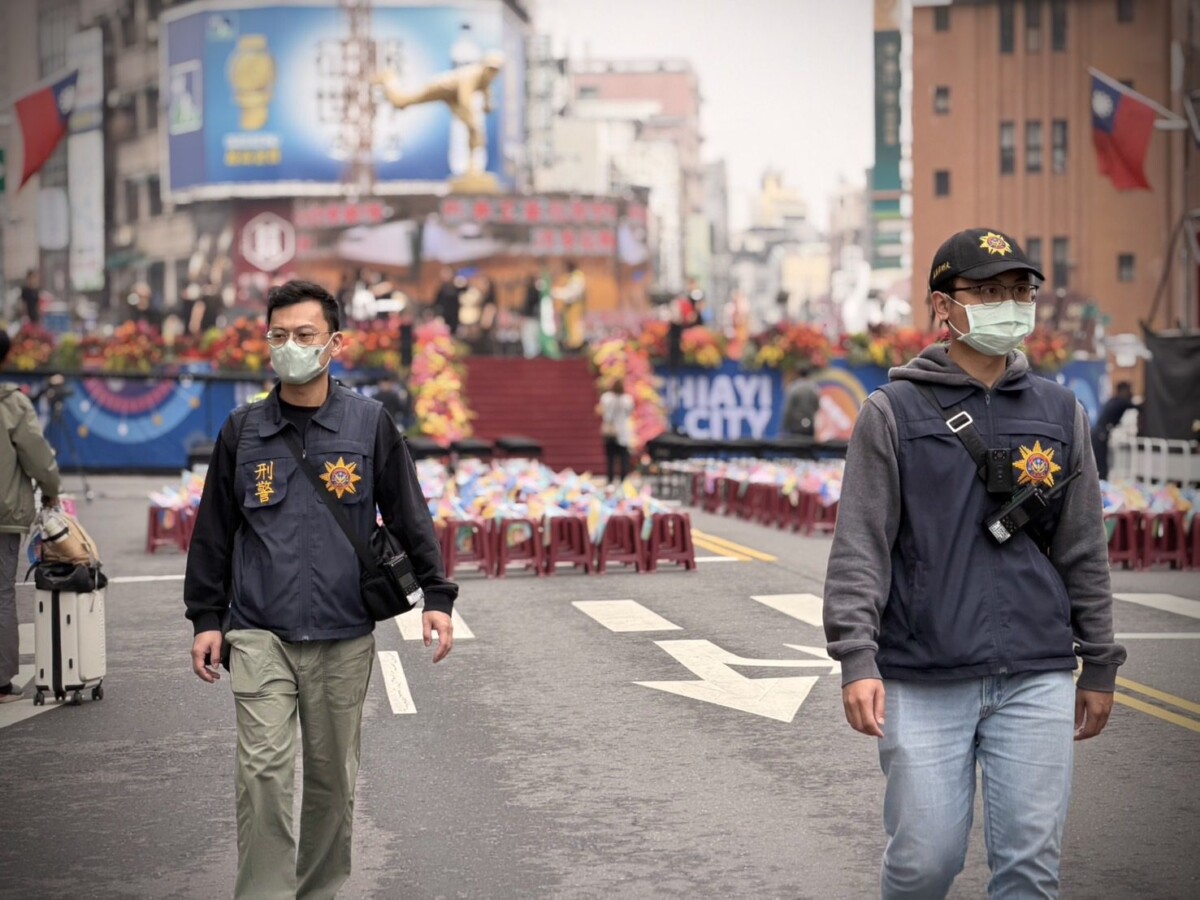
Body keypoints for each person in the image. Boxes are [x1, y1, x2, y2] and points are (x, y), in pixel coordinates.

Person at [823, 227, 1125, 899]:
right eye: (987, 292)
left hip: (1037, 673)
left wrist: (1100, 660)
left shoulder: (1060, 411)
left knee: (1030, 871)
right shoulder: (891, 412)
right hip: (923, 674)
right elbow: (861, 545)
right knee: (924, 864)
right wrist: (856, 657)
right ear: (943, 305)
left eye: (1020, 290)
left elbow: (1083, 548)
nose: (1007, 305)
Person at [184, 280, 458, 898]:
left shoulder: (369, 424)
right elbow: (214, 531)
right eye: (278, 335)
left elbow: (410, 513)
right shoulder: (243, 431)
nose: (290, 346)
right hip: (259, 632)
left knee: (333, 786)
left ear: (335, 343)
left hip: (342, 634)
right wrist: (205, 617)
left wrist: (437, 598)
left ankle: (316, 892)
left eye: (305, 335)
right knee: (263, 775)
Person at [0, 332, 62, 703]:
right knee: (1, 593)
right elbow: (38, 456)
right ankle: (0, 681)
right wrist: (51, 488)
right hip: (3, 514)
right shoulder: (11, 403)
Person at [1090, 381, 1136, 481]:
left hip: (1099, 434)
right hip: (1100, 436)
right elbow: (1135, 406)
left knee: (1100, 462)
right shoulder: (1120, 402)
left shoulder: (1113, 401)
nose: (1130, 393)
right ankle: (1101, 484)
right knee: (1101, 463)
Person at [597, 380, 634, 483]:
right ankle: (624, 481)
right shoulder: (627, 399)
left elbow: (601, 410)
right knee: (624, 459)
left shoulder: (606, 398)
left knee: (610, 459)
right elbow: (630, 412)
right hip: (623, 432)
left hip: (611, 431)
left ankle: (610, 480)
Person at [781, 364, 821, 439]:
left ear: (798, 374)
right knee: (808, 444)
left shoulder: (793, 388)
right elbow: (817, 406)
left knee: (796, 445)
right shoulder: (814, 388)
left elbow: (788, 409)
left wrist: (785, 426)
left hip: (795, 425)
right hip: (810, 423)